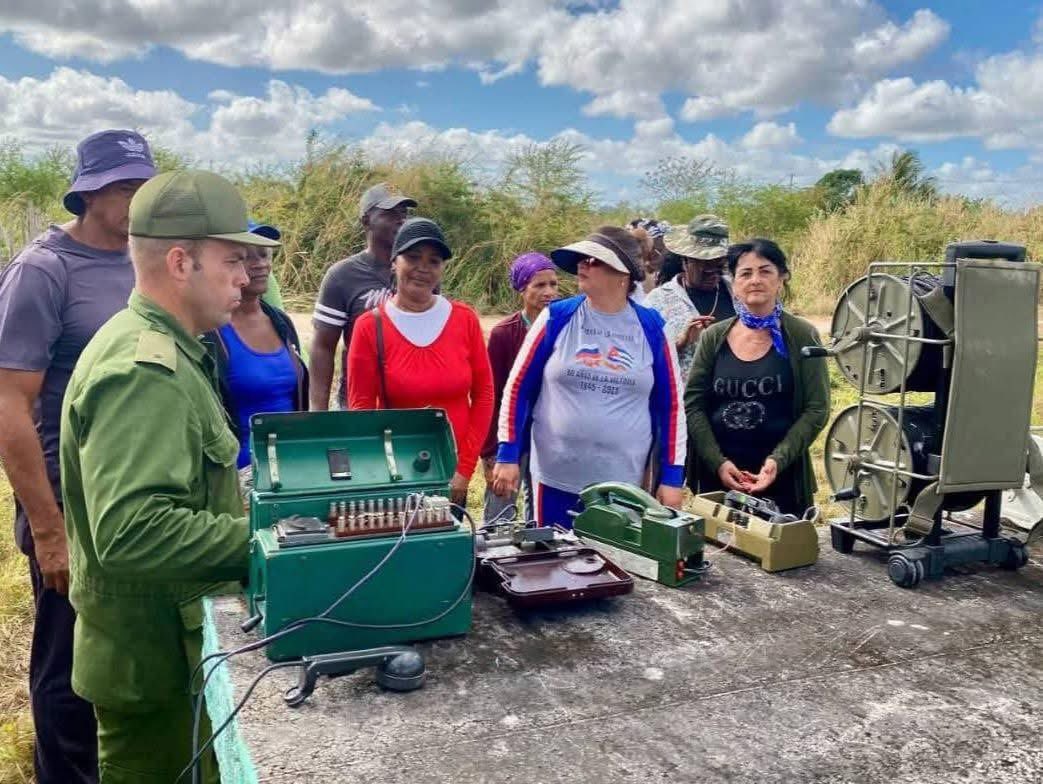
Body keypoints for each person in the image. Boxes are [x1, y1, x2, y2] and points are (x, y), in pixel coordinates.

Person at [59, 169, 278, 783]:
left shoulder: (178, 347)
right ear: (181, 263)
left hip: (171, 653)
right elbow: (131, 532)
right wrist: (271, 537)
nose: (247, 275)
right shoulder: (143, 372)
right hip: (153, 668)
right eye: (233, 259)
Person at [0, 129, 156, 784]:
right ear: (88, 192)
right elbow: (10, 401)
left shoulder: (145, 259)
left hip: (136, 500)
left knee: (125, 656)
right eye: (122, 187)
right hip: (71, 501)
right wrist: (48, 530)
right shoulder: (44, 271)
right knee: (68, 664)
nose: (135, 198)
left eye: (142, 185)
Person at [492, 227, 687, 527]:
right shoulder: (557, 317)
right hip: (555, 478)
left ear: (624, 273)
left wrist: (672, 477)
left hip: (623, 485)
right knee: (552, 565)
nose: (584, 264)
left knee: (614, 566)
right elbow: (518, 387)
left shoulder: (651, 327)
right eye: (582, 259)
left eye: (595, 260)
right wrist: (507, 454)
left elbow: (672, 406)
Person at [347, 218, 494, 508]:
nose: (423, 268)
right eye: (413, 257)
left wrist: (463, 472)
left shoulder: (464, 319)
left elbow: (484, 395)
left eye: (434, 260)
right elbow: (360, 409)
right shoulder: (369, 327)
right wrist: (380, 471)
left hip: (452, 474)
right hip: (396, 473)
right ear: (394, 262)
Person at [684, 238, 829, 515]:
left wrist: (778, 460)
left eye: (765, 271)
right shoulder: (715, 336)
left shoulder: (801, 334)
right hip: (718, 479)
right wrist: (718, 462)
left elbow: (817, 408)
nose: (755, 280)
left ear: (781, 278)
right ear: (734, 283)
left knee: (783, 555)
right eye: (745, 273)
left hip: (781, 477)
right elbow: (693, 404)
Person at [202, 221, 308, 472]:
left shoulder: (281, 323)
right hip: (237, 475)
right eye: (246, 256)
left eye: (263, 254)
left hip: (291, 468)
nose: (259, 263)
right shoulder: (211, 331)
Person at [309, 183, 417, 409]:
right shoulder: (342, 276)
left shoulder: (421, 272)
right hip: (358, 403)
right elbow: (323, 347)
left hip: (410, 403)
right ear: (366, 221)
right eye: (390, 214)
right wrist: (317, 413)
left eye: (404, 214)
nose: (400, 220)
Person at [481, 252, 559, 522]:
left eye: (553, 284)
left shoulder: (563, 327)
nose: (548, 291)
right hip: (513, 434)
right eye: (539, 285)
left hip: (549, 434)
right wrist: (491, 451)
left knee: (540, 515)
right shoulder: (505, 333)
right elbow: (493, 393)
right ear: (521, 289)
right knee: (499, 512)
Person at [644, 214, 736, 380]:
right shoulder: (658, 301)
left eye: (718, 262)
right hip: (684, 401)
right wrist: (679, 343)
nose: (712, 269)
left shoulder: (738, 294)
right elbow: (640, 356)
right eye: (704, 262)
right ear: (685, 261)